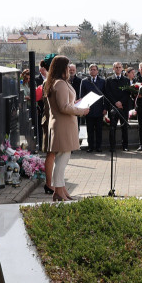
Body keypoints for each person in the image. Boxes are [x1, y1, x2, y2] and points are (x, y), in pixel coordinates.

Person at [44, 55, 90, 201]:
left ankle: (62, 190)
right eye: (67, 66)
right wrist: (81, 110)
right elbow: (63, 107)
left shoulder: (57, 82)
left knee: (62, 159)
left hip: (63, 124)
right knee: (62, 160)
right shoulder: (60, 84)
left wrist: (76, 103)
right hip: (63, 125)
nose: (69, 69)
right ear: (61, 68)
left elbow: (65, 103)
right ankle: (58, 191)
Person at [102, 62, 131, 151]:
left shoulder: (126, 80)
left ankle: (125, 146)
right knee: (112, 127)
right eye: (116, 67)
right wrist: (115, 102)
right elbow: (107, 93)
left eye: (119, 67)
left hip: (123, 107)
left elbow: (127, 93)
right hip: (113, 107)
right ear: (113, 69)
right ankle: (112, 146)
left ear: (122, 69)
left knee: (124, 127)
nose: (118, 69)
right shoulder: (109, 80)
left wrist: (121, 102)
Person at [79, 63, 106, 152]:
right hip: (88, 109)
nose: (93, 71)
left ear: (97, 71)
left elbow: (105, 96)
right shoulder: (84, 81)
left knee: (99, 129)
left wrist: (105, 108)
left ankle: (98, 146)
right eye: (91, 69)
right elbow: (81, 96)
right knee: (89, 129)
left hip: (99, 109)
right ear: (89, 71)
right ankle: (90, 146)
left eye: (94, 69)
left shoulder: (102, 81)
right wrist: (83, 108)